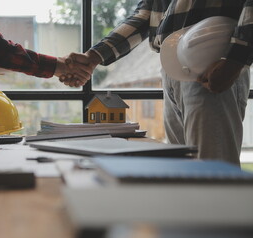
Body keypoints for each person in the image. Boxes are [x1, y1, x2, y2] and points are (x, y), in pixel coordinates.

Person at [63, 0, 252, 165]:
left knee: (215, 177)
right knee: (184, 174)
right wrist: (95, 55)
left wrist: (236, 57)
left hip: (212, 61)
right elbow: (146, 14)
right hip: (172, 66)